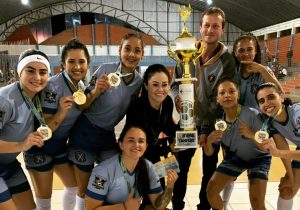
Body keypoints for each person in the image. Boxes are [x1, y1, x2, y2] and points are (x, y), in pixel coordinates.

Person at [68, 32, 144, 210]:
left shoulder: (139, 82)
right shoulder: (104, 69)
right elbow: (81, 104)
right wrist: (96, 91)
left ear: (142, 55)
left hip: (107, 135)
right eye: (127, 49)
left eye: (137, 50)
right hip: (85, 132)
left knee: (114, 179)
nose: (132, 54)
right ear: (120, 51)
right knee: (84, 189)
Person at [171, 7, 236, 210]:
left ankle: (204, 207)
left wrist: (207, 129)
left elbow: (222, 99)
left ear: (222, 30)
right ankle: (177, 206)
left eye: (215, 26)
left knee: (209, 169)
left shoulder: (227, 60)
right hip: (186, 123)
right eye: (207, 25)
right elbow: (175, 85)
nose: (210, 29)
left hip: (212, 123)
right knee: (181, 169)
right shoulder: (186, 53)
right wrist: (177, 99)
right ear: (200, 28)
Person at [23, 39, 90, 210]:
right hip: (39, 147)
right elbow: (43, 129)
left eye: (81, 61)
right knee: (44, 199)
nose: (77, 67)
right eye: (71, 62)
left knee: (73, 186)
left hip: (59, 147)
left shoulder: (80, 85)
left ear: (87, 64)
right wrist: (61, 112)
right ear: (62, 64)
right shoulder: (53, 86)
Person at [204, 78, 272, 210]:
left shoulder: (252, 114)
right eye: (222, 93)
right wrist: (209, 141)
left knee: (257, 202)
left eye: (231, 91)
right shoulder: (219, 123)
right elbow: (208, 152)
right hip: (235, 158)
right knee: (211, 191)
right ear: (217, 98)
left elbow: (266, 147)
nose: (227, 95)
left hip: (259, 159)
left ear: (238, 94)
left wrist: (251, 135)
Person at [0, 49, 49, 210]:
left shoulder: (36, 96)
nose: (37, 77)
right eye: (30, 71)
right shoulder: (4, 100)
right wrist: (21, 145)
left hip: (8, 165)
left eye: (43, 72)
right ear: (18, 72)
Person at [85, 125, 178, 210]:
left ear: (146, 146)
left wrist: (169, 186)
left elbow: (159, 206)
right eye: (131, 140)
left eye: (141, 141)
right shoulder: (103, 171)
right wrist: (124, 207)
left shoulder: (149, 167)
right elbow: (90, 209)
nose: (136, 145)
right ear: (121, 144)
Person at [125, 64, 178, 185]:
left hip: (154, 153)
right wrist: (169, 148)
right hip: (134, 157)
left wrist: (187, 128)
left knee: (163, 187)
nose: (160, 90)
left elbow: (168, 126)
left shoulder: (167, 103)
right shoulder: (137, 108)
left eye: (164, 85)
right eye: (155, 85)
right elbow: (138, 147)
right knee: (149, 193)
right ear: (146, 85)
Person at [256, 82, 299, 210]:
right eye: (262, 101)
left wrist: (278, 153)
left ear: (281, 97)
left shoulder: (297, 113)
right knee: (287, 190)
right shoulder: (271, 123)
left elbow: (280, 152)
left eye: (271, 97)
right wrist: (290, 177)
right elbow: (283, 147)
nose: (267, 103)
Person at [232, 33, 283, 109]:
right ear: (236, 53)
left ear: (255, 51)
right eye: (241, 50)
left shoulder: (264, 70)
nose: (246, 54)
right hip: (237, 118)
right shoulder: (231, 73)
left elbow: (280, 93)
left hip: (259, 119)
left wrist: (262, 70)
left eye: (249, 49)